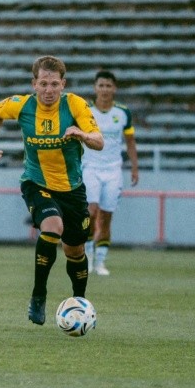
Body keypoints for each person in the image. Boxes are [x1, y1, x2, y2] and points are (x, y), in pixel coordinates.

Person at [0, 55, 103, 326]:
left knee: (75, 251)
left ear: (63, 84)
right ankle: (38, 294)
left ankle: (79, 303)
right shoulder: (22, 105)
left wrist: (83, 135)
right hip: (36, 183)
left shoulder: (75, 105)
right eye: (43, 84)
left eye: (54, 84)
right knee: (52, 227)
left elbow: (99, 140)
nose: (49, 90)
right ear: (34, 84)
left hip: (72, 190)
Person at [81, 70, 139, 276]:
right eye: (101, 85)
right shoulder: (85, 110)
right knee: (90, 212)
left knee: (106, 217)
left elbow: (130, 142)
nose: (104, 90)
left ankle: (100, 262)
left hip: (113, 169)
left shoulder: (123, 112)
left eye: (108, 86)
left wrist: (134, 167)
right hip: (90, 167)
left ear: (114, 88)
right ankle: (86, 258)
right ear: (95, 88)